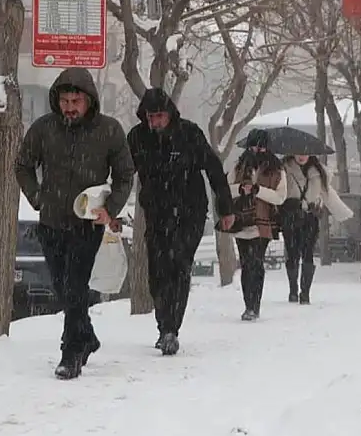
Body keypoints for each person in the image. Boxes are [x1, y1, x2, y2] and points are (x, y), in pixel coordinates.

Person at [15, 68, 135, 379]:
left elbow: (125, 175)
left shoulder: (108, 130)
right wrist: (37, 197)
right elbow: (23, 165)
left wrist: (110, 208)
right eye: (65, 101)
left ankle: (71, 353)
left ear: (89, 101)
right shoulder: (44, 129)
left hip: (87, 223)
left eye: (76, 101)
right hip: (51, 221)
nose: (70, 107)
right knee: (62, 286)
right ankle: (88, 336)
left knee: (75, 284)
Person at [125, 88, 235, 356]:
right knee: (158, 271)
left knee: (180, 265)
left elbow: (213, 168)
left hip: (190, 212)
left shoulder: (189, 133)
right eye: (151, 117)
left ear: (170, 114)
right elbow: (122, 173)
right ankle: (163, 325)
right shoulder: (138, 138)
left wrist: (226, 208)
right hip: (156, 213)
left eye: (160, 116)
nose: (156, 122)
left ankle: (172, 329)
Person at [226, 130, 287, 321]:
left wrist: (258, 190)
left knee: (256, 262)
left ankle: (255, 305)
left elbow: (280, 197)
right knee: (246, 264)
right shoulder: (239, 167)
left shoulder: (277, 171)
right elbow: (227, 189)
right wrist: (241, 189)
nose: (257, 150)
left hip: (264, 222)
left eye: (261, 147)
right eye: (253, 146)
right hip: (242, 221)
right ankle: (248, 305)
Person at [280, 154, 353, 304]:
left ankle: (305, 293)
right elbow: (279, 192)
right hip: (290, 216)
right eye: (298, 152)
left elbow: (327, 194)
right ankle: (293, 290)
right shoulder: (284, 169)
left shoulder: (318, 172)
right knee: (292, 253)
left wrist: (342, 212)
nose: (301, 156)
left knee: (308, 254)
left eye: (304, 153)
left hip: (310, 217)